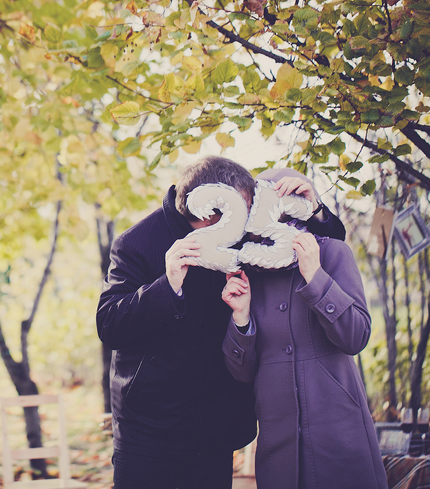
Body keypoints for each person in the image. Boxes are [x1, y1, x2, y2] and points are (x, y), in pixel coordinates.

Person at [97, 157, 346, 489]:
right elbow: (110, 325)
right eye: (240, 210)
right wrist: (167, 285)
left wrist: (316, 210)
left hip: (216, 429)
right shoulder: (136, 242)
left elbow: (329, 244)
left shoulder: (241, 237)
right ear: (209, 209)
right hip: (148, 432)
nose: (246, 220)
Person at [221, 168, 387, 489]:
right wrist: (241, 318)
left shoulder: (333, 253)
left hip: (340, 437)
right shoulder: (246, 272)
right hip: (278, 446)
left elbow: (356, 337)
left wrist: (316, 278)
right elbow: (241, 373)